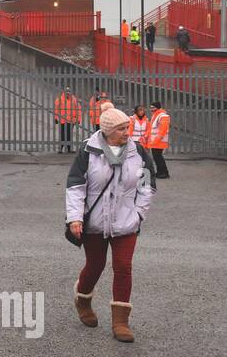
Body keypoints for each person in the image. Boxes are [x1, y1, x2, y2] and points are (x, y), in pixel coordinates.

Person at [66, 107, 155, 342]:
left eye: (127, 127)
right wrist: (75, 217)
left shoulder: (139, 152)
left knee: (123, 267)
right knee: (95, 265)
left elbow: (147, 185)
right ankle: (83, 300)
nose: (127, 132)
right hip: (95, 221)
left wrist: (139, 214)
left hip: (126, 222)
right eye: (121, 129)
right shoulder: (88, 151)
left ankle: (121, 322)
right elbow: (76, 186)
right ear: (107, 132)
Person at [145, 100, 171, 179]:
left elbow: (163, 130)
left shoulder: (163, 116)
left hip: (159, 141)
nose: (151, 109)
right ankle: (160, 172)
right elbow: (151, 128)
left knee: (158, 157)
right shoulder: (155, 115)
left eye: (153, 107)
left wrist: (156, 141)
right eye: (151, 107)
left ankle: (164, 173)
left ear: (158, 107)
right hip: (155, 141)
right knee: (157, 157)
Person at [54, 86, 81, 154]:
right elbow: (56, 109)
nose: (68, 93)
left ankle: (69, 149)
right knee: (62, 134)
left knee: (69, 135)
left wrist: (78, 119)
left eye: (69, 91)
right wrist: (56, 118)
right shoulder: (59, 99)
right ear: (64, 92)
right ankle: (61, 148)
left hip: (71, 120)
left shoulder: (74, 100)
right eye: (66, 91)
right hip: (62, 120)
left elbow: (78, 110)